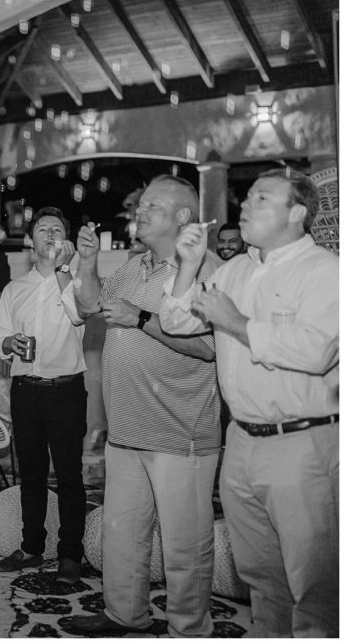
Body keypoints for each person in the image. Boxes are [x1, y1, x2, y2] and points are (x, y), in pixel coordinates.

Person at [161, 168, 338, 637]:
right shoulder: (236, 269)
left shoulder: (325, 270)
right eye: (249, 195)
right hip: (240, 442)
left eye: (263, 198)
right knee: (261, 577)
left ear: (297, 212)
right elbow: (177, 323)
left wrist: (236, 322)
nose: (246, 203)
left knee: (313, 583)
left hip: (301, 444)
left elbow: (316, 350)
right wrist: (187, 264)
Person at [69, 175, 221, 637]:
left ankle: (189, 629)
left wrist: (141, 319)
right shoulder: (135, 266)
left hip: (181, 433)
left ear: (182, 217)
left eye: (152, 205)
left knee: (184, 547)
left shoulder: (208, 269)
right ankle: (124, 617)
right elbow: (92, 303)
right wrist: (90, 261)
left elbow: (211, 348)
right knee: (122, 536)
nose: (140, 209)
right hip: (127, 430)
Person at [0, 207, 87, 584]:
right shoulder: (16, 289)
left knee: (69, 476)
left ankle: (70, 555)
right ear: (30, 240)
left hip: (66, 390)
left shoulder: (77, 282)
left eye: (57, 229)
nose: (49, 234)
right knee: (30, 474)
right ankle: (31, 548)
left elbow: (80, 316)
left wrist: (64, 272)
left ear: (66, 239)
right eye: (42, 229)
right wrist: (7, 342)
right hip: (25, 390)